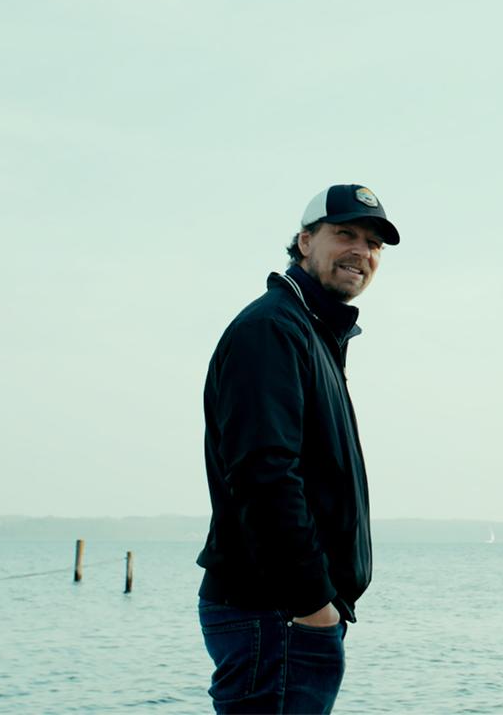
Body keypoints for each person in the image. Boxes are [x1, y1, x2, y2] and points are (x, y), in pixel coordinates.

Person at [196, 184, 400, 714]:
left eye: (374, 243)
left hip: (284, 616)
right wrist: (312, 603)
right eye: (346, 234)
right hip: (276, 616)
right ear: (305, 241)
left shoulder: (310, 332)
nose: (362, 251)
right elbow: (264, 475)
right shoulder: (272, 330)